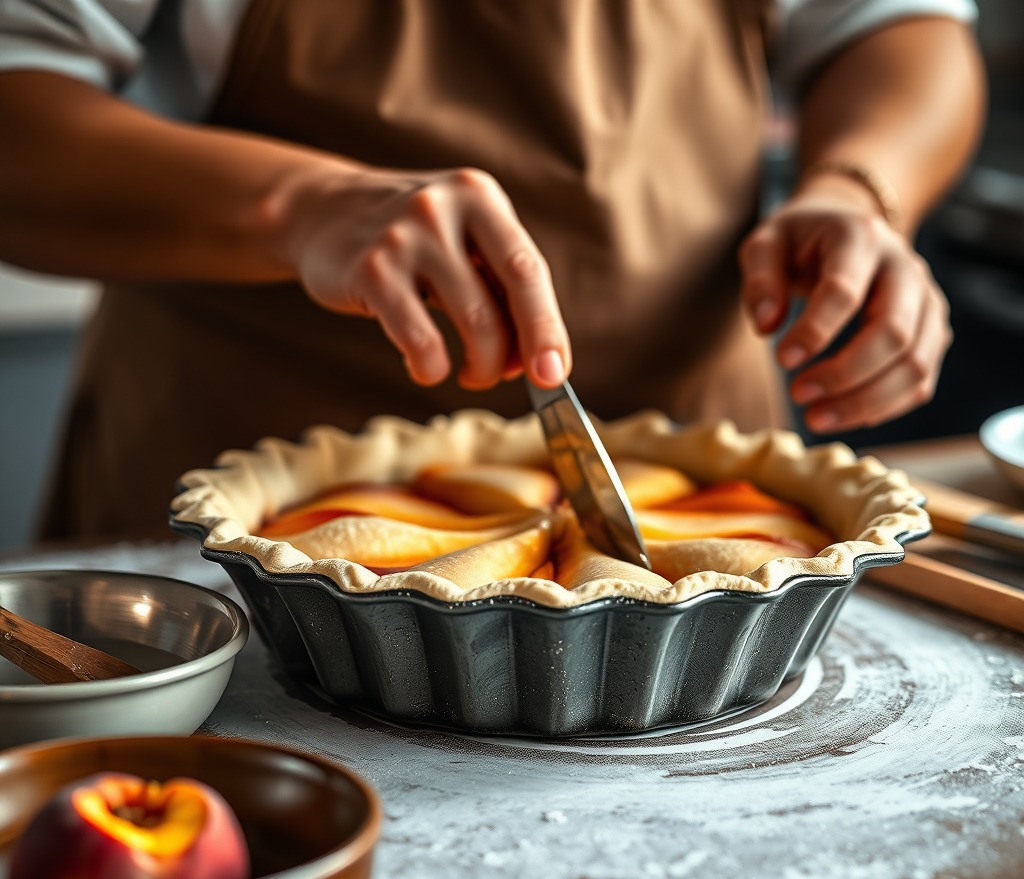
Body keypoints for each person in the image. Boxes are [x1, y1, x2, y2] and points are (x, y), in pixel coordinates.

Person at [0, 0, 985, 541]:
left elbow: (897, 24)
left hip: (702, 463)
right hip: (248, 484)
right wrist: (298, 206)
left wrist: (860, 189)